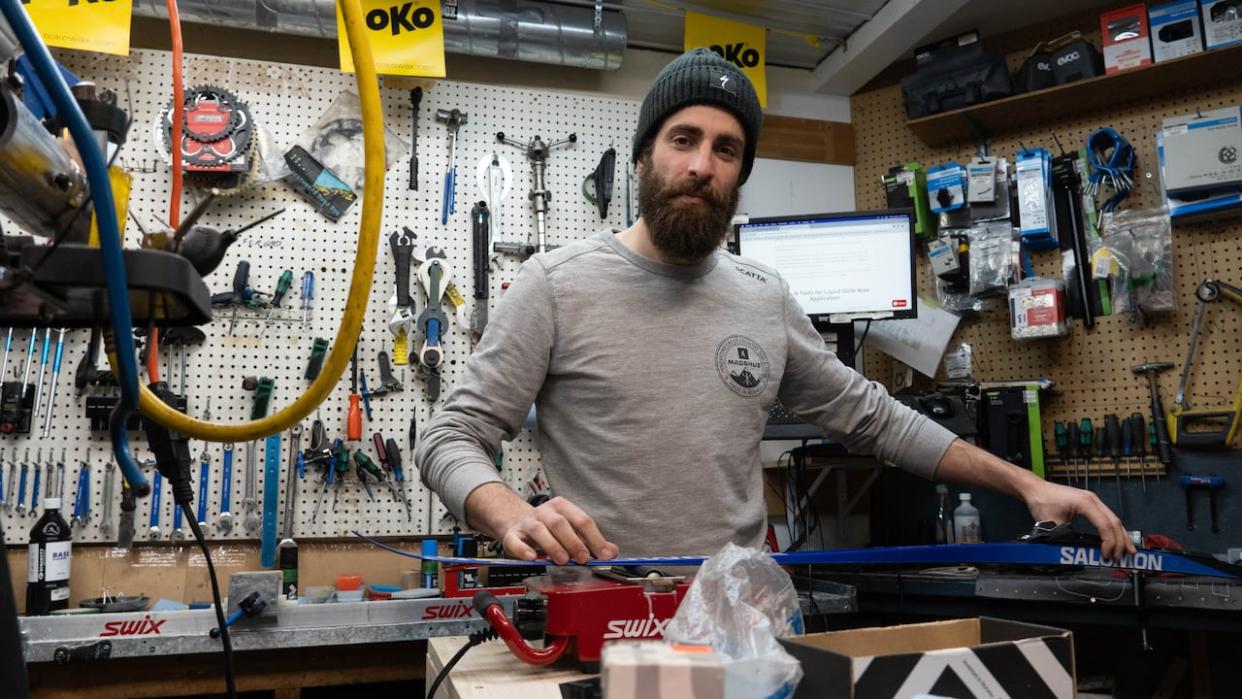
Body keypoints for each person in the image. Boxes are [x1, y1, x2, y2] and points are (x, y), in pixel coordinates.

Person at [415, 48, 1134, 566]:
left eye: (727, 149)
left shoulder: (764, 297)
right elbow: (449, 436)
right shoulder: (554, 284)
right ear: (643, 158)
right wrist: (509, 510)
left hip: (740, 620)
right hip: (606, 616)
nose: (702, 164)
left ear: (740, 177)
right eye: (683, 140)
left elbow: (878, 420)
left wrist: (1030, 484)